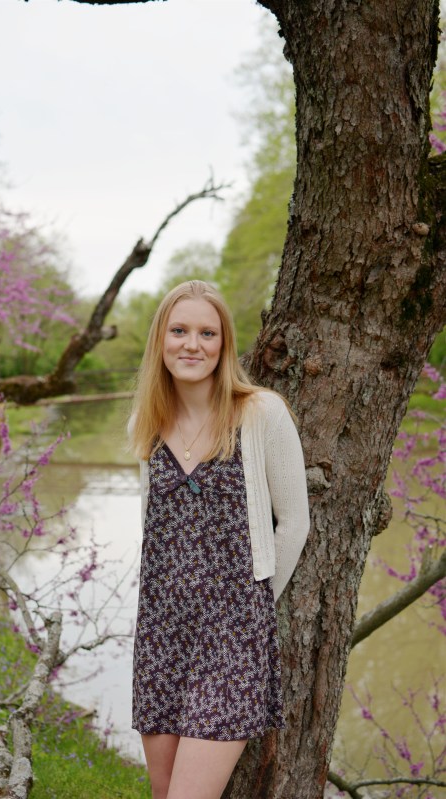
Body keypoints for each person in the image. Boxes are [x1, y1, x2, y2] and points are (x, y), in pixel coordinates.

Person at [128, 280, 309, 799]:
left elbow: (294, 523)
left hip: (231, 641)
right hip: (162, 633)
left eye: (207, 333)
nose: (193, 344)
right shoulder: (148, 422)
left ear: (224, 344)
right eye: (179, 331)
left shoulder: (261, 413)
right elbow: (153, 533)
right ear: (160, 341)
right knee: (163, 792)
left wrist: (249, 610)